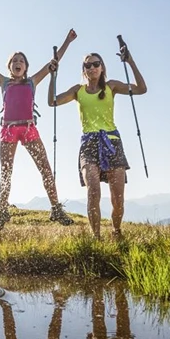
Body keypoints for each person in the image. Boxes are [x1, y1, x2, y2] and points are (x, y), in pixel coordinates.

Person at [0, 30, 78, 230]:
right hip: (8, 131)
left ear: (25, 67)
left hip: (29, 129)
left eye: (21, 61)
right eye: (14, 60)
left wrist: (67, 40)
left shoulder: (32, 81)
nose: (18, 63)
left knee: (45, 168)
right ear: (10, 67)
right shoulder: (4, 82)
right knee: (6, 172)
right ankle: (3, 212)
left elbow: (53, 61)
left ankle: (56, 209)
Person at [49, 43, 146, 240]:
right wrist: (53, 75)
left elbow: (142, 89)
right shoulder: (78, 91)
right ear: (84, 70)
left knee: (117, 198)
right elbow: (53, 101)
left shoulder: (112, 86)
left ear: (102, 67)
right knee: (93, 192)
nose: (92, 67)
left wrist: (130, 62)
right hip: (88, 144)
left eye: (96, 64)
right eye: (87, 65)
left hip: (111, 141)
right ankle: (96, 237)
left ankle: (116, 231)